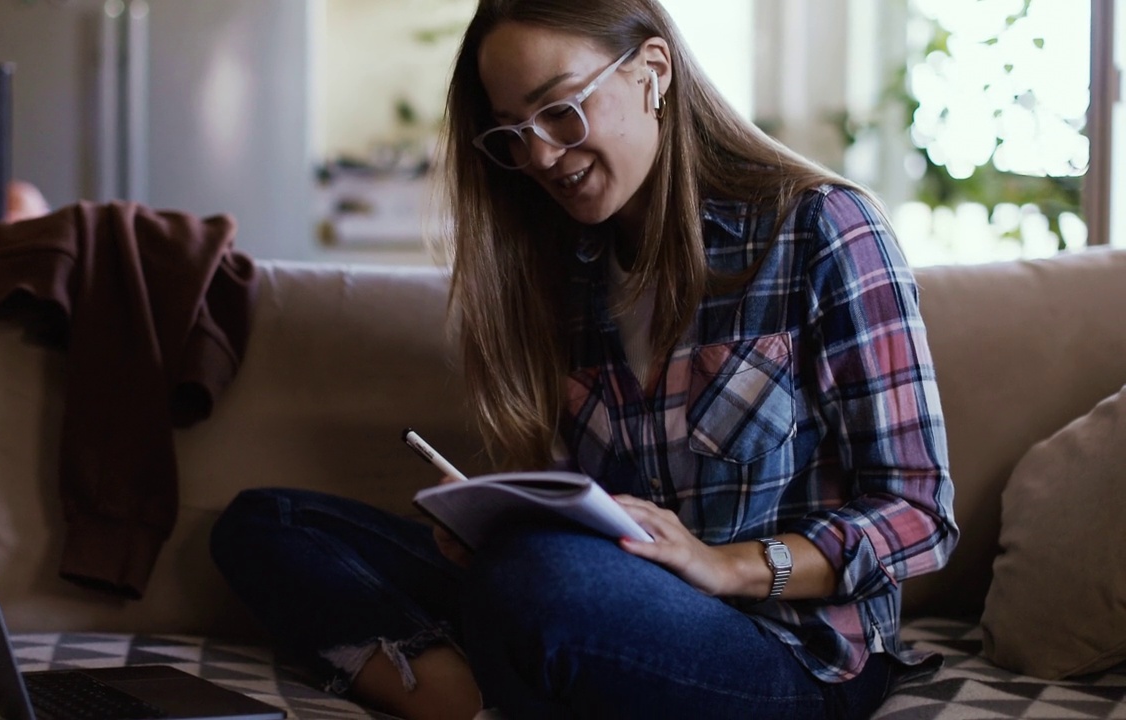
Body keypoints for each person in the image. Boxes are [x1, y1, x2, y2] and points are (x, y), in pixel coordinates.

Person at [210, 1, 959, 718]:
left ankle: (505, 674)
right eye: (510, 133)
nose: (538, 155)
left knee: (537, 581)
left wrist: (725, 563)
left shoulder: (823, 230)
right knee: (267, 523)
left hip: (788, 654)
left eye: (560, 109)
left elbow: (919, 513)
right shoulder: (565, 272)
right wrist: (491, 525)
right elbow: (586, 517)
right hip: (602, 607)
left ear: (652, 71)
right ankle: (461, 700)